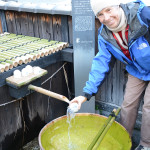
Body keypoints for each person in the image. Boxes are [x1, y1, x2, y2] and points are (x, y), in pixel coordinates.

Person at [70, 0, 150, 149]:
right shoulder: (105, 35)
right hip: (137, 69)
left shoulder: (143, 15)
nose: (106, 17)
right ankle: (123, 139)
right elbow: (101, 64)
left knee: (149, 107)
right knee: (127, 104)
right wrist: (85, 94)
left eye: (108, 10)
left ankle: (146, 145)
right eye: (100, 14)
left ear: (118, 6)